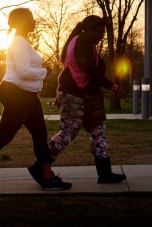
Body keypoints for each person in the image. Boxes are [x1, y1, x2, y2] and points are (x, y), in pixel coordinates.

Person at [0, 7, 71, 192]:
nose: (34, 21)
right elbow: (24, 72)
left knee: (40, 135)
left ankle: (46, 176)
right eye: (31, 18)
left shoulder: (23, 42)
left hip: (27, 94)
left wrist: (40, 75)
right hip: (15, 93)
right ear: (22, 22)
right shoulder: (18, 42)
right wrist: (45, 72)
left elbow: (27, 71)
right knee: (5, 136)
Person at [48, 15, 127, 184]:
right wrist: (113, 87)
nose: (101, 35)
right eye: (99, 31)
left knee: (98, 133)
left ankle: (105, 174)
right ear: (89, 29)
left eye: (103, 32)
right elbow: (91, 70)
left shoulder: (80, 40)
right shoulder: (82, 42)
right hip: (74, 95)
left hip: (87, 96)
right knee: (67, 133)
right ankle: (41, 166)